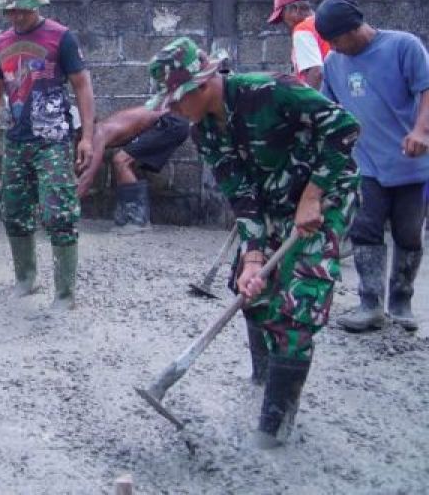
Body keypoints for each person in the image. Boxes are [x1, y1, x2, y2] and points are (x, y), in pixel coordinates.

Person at [146, 37, 360, 447]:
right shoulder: (203, 131)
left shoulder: (270, 90)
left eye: (175, 100)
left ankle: (273, 433)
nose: (172, 109)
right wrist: (252, 258)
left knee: (298, 308)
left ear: (203, 83)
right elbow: (241, 193)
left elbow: (345, 127)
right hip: (273, 205)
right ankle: (265, 380)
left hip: (326, 197)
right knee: (251, 292)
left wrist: (313, 196)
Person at [0, 0, 95, 309]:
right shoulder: (1, 43)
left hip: (53, 139)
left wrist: (86, 138)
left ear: (36, 4)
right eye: (11, 10)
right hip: (17, 140)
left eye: (22, 9)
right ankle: (26, 280)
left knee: (59, 212)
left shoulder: (61, 38)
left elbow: (82, 86)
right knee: (14, 210)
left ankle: (65, 295)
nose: (17, 16)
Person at [315, 0, 429, 333]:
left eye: (335, 39)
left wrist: (421, 129)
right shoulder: (335, 63)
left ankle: (401, 302)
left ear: (353, 29)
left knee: (409, 233)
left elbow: (427, 88)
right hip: (364, 164)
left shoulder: (403, 46)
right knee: (364, 229)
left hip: (413, 165)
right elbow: (327, 110)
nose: (333, 46)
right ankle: (370, 303)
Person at [75, 106, 190, 227]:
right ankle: (127, 215)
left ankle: (136, 221)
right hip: (170, 121)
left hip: (170, 122)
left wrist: (64, 207)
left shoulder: (97, 134)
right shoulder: (100, 130)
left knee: (121, 161)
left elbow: (87, 179)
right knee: (124, 161)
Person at [266, 0, 330, 89]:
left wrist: (309, 102)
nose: (283, 22)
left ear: (295, 9)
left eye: (282, 16)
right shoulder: (323, 23)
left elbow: (315, 72)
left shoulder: (303, 30)